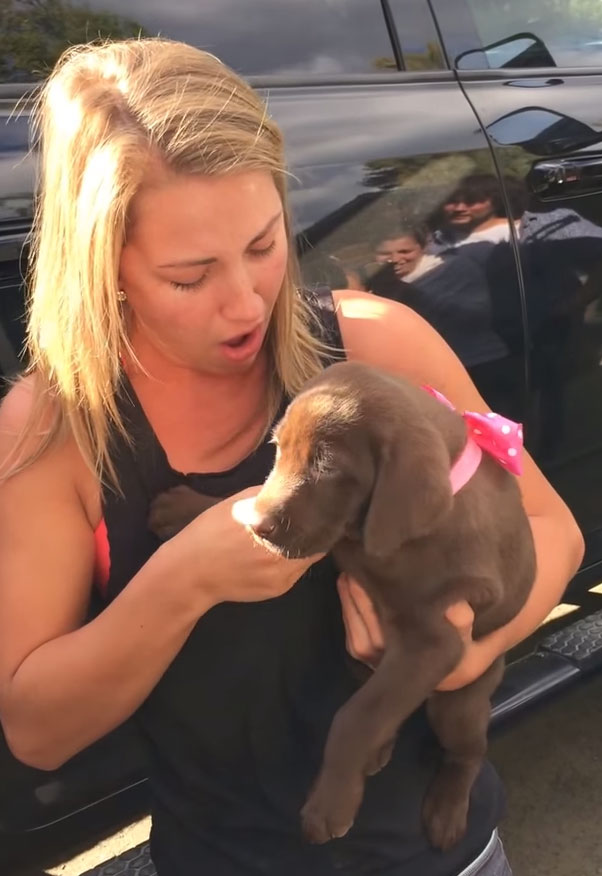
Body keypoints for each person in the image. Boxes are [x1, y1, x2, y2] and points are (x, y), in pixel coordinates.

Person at [0, 39, 584, 876]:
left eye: (263, 244)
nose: (245, 303)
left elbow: (552, 529)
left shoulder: (378, 349)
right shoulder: (56, 432)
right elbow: (36, 730)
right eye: (189, 276)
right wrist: (183, 579)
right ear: (105, 268)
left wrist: (465, 652)